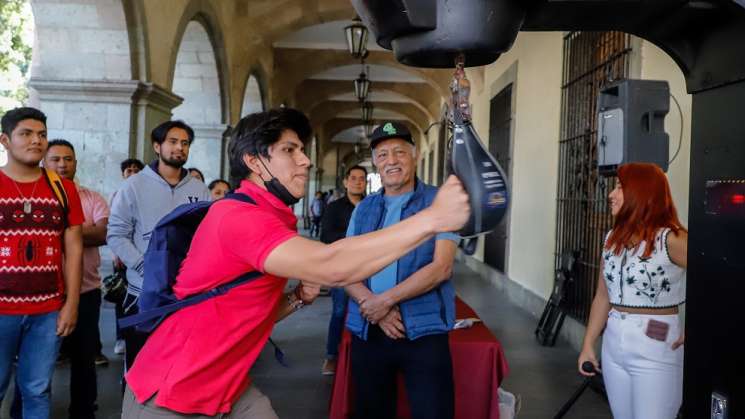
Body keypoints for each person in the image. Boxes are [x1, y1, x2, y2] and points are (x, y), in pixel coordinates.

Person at [120, 108, 470, 419]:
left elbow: (241, 312)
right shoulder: (240, 217)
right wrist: (433, 218)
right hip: (171, 392)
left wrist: (296, 299)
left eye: (302, 150)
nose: (305, 160)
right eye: (290, 150)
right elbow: (334, 264)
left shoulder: (270, 217)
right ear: (255, 161)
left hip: (226, 386)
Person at [343, 121, 460, 419]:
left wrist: (384, 301)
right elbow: (345, 269)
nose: (391, 161)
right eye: (382, 155)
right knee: (370, 411)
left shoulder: (440, 202)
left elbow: (441, 267)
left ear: (415, 155)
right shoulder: (364, 208)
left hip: (422, 331)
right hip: (369, 329)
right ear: (376, 164)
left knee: (432, 412)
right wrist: (374, 308)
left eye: (399, 152)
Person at [578, 162, 687, 419]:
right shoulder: (611, 239)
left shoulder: (672, 239)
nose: (611, 195)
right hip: (614, 343)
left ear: (641, 192)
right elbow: (603, 296)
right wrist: (588, 343)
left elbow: (720, 276)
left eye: (619, 187)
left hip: (657, 346)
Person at [0, 107, 84, 419]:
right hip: (0, 310)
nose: (36, 141)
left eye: (42, 135)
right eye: (26, 134)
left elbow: (73, 249)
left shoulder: (63, 188)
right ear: (5, 140)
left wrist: (71, 304)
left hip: (47, 311)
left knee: (37, 390)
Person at [108, 120, 210, 373]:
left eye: (185, 143)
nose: (180, 148)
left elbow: (206, 236)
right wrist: (145, 266)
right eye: (173, 142)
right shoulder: (133, 186)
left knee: (179, 368)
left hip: (185, 293)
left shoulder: (200, 190)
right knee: (139, 366)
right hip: (143, 292)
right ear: (157, 146)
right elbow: (117, 234)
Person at [44, 139, 109, 419]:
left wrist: (64, 230)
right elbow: (90, 232)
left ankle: (84, 411)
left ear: (76, 163)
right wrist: (81, 229)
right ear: (44, 163)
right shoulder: (36, 198)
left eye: (68, 159)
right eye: (56, 159)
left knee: (84, 359)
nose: (62, 164)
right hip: (43, 293)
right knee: (41, 360)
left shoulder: (91, 198)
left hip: (86, 290)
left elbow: (102, 234)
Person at [321, 165, 367, 375]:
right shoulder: (334, 208)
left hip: (369, 268)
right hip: (343, 269)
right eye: (354, 178)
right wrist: (356, 241)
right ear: (346, 182)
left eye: (362, 179)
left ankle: (363, 355)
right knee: (340, 311)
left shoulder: (373, 205)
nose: (358, 182)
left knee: (369, 311)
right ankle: (332, 356)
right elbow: (326, 237)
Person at [112, 158, 144, 355]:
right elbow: (115, 229)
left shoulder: (146, 194)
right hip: (124, 257)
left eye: (136, 170)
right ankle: (121, 337)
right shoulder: (118, 194)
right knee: (122, 298)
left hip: (141, 254)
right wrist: (117, 253)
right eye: (128, 170)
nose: (131, 173)